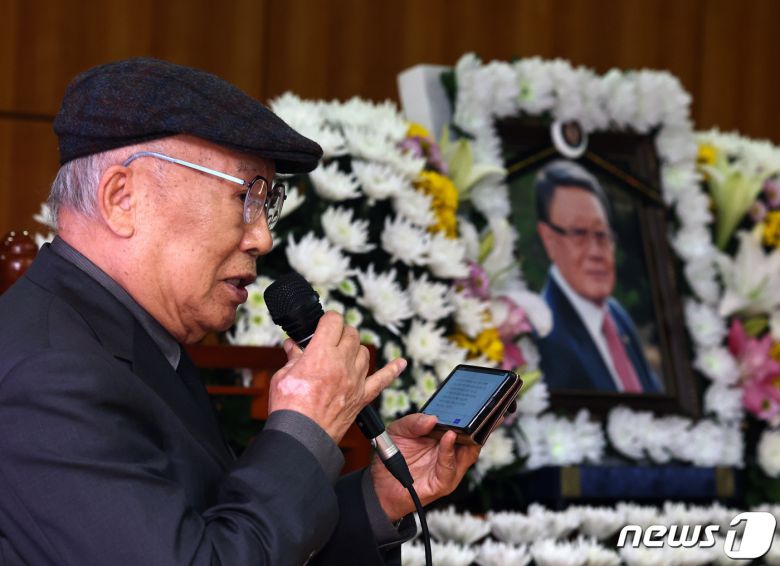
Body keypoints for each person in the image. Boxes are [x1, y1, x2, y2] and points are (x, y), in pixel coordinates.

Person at [0, 58, 481, 566]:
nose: (263, 237)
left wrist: (378, 497)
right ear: (124, 199)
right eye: (245, 196)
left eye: (267, 203)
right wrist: (302, 426)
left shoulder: (133, 340)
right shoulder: (48, 372)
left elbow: (222, 537)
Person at [534, 159, 662, 393]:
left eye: (602, 234)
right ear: (548, 239)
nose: (595, 252)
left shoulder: (616, 315)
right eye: (579, 233)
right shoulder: (544, 334)